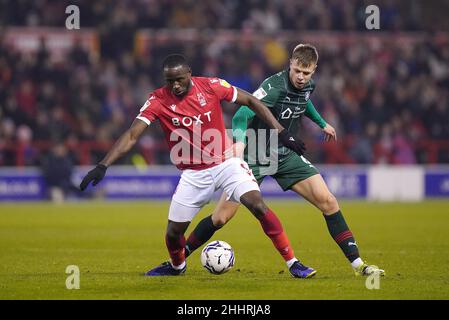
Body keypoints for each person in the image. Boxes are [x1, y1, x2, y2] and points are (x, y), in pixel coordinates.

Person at [79, 54, 317, 278]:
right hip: (193, 174)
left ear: (190, 74)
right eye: (170, 81)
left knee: (258, 206)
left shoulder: (211, 86)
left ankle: (293, 263)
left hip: (226, 162)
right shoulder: (157, 100)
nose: (175, 86)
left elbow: (251, 100)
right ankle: (177, 266)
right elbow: (132, 135)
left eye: (180, 79)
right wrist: (103, 165)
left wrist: (282, 132)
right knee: (173, 235)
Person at [183, 44, 385, 276]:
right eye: (297, 70)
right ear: (290, 63)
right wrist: (239, 142)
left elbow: (303, 101)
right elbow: (242, 114)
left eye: (306, 73)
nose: (301, 77)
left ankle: (359, 266)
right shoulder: (273, 87)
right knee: (220, 218)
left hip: (285, 153)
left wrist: (322, 123)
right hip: (254, 155)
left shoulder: (308, 85)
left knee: (328, 201)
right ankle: (178, 259)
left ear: (314, 70)